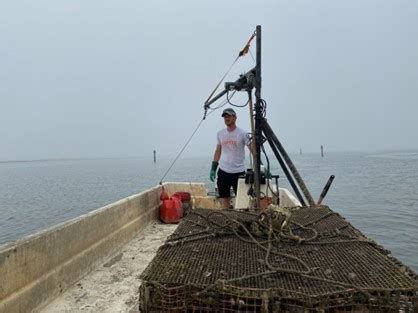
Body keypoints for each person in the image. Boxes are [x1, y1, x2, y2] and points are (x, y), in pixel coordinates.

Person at [210, 108, 250, 208]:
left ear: (235, 117)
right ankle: (226, 219)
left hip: (239, 172)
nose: (226, 118)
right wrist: (213, 168)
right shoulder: (220, 134)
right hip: (223, 171)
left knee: (242, 199)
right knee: (224, 198)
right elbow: (218, 150)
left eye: (229, 116)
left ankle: (241, 218)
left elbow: (253, 150)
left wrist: (261, 165)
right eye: (225, 116)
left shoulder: (243, 133)